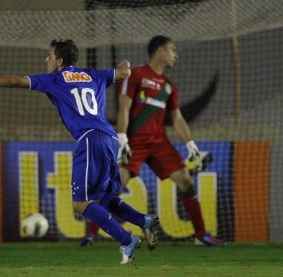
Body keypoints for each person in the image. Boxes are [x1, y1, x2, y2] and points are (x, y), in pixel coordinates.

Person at [0, 39, 159, 264]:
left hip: (90, 139)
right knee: (102, 198)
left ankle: (126, 240)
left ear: (60, 61)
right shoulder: (94, 75)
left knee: (81, 203)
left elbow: (14, 81)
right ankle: (144, 221)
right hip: (110, 138)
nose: (46, 59)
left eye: (49, 55)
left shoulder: (54, 79)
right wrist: (124, 63)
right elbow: (125, 71)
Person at [81, 35, 226, 247]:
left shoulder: (169, 86)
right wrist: (122, 138)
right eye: (172, 50)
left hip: (159, 143)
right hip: (134, 142)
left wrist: (190, 144)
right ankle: (91, 234)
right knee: (112, 186)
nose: (175, 55)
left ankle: (201, 235)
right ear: (160, 51)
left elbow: (176, 117)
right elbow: (124, 107)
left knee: (186, 181)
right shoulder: (136, 74)